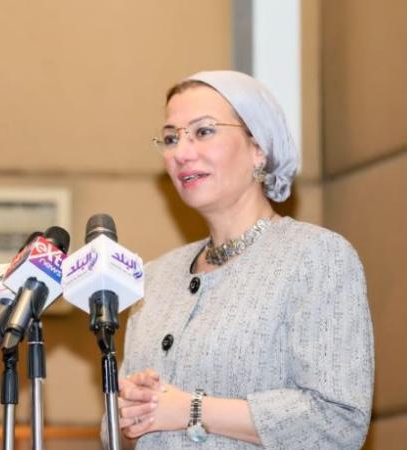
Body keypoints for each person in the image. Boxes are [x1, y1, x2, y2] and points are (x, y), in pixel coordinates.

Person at [110, 71, 374, 449]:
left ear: (258, 148)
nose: (181, 153)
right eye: (170, 138)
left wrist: (193, 409)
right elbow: (114, 435)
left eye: (203, 131)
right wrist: (128, 410)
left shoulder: (316, 257)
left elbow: (337, 420)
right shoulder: (155, 277)